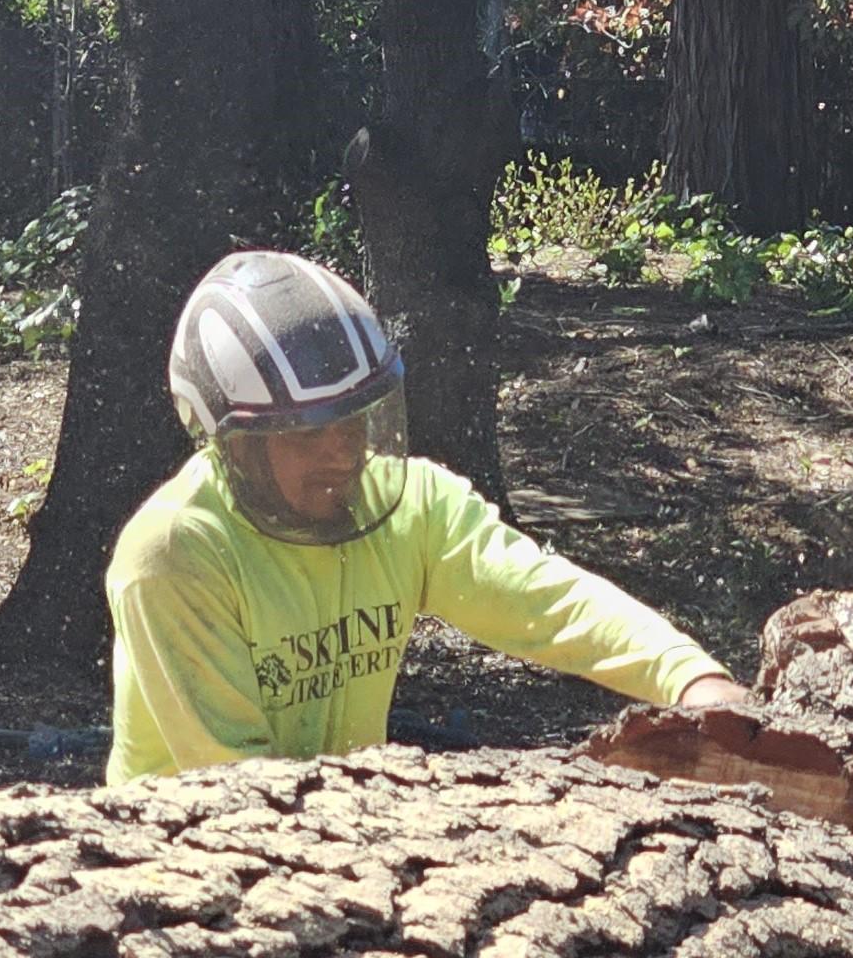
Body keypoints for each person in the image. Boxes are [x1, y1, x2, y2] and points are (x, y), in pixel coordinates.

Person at [106, 247, 747, 782]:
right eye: (306, 434)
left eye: (356, 420)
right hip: (183, 879)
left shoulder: (412, 505)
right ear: (233, 446)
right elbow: (238, 786)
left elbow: (552, 604)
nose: (345, 453)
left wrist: (691, 681)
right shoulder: (175, 554)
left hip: (337, 838)